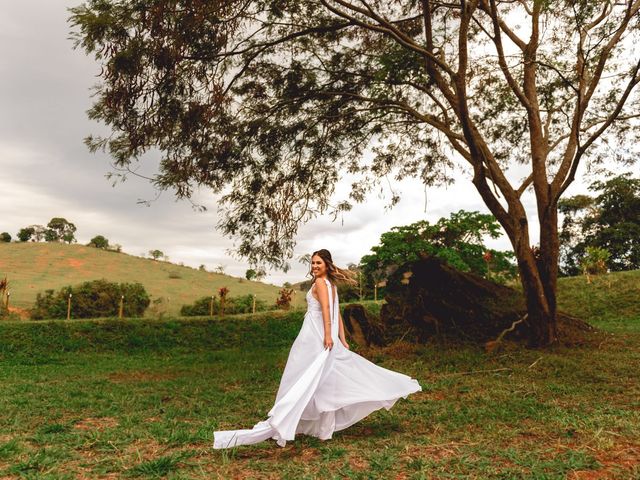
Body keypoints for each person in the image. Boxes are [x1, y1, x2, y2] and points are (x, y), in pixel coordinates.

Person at [213, 249, 421, 449]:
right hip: (320, 333)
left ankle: (300, 420)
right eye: (312, 263)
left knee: (306, 375)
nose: (314, 266)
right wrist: (341, 338)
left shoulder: (322, 283)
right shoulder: (330, 284)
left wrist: (332, 336)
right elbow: (335, 312)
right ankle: (321, 428)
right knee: (323, 378)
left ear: (327, 264)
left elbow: (329, 311)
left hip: (315, 335)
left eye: (318, 263)